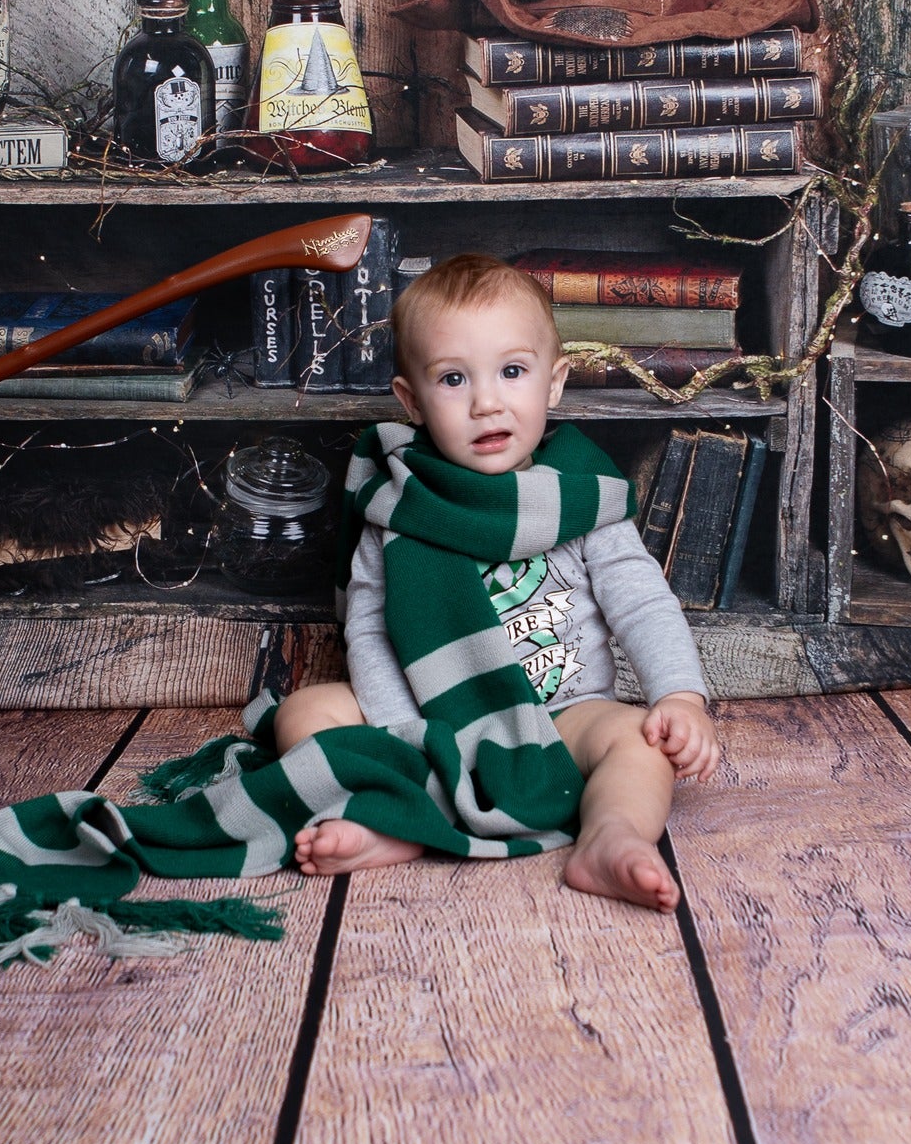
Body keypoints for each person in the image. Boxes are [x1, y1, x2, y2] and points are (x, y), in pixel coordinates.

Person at [273, 253, 719, 911]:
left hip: (566, 714)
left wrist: (680, 695)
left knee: (639, 741)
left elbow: (642, 600)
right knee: (305, 712)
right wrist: (411, 739)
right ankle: (398, 819)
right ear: (411, 400)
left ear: (553, 383)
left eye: (512, 371)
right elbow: (370, 632)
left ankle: (610, 833)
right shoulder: (397, 509)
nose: (486, 402)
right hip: (433, 719)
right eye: (453, 378)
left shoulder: (580, 498)